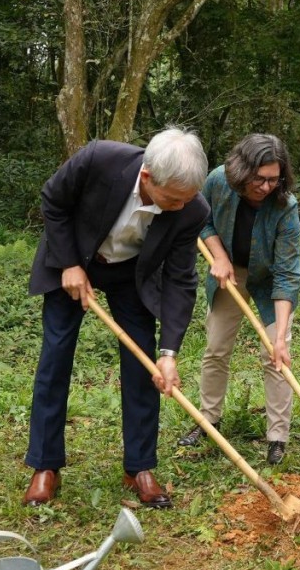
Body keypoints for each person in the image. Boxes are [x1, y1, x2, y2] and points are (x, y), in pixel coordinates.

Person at [22, 127, 209, 510]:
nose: (180, 207)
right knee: (56, 357)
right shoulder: (99, 160)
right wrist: (70, 264)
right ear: (147, 177)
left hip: (132, 275)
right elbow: (53, 201)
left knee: (143, 364)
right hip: (73, 260)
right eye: (172, 200)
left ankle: (139, 466)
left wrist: (169, 352)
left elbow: (180, 278)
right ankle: (45, 466)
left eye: (186, 199)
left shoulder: (192, 208)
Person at [177, 134, 300, 466]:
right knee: (216, 348)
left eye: (273, 180)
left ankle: (277, 437)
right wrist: (218, 256)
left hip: (270, 279)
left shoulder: (285, 207)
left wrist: (279, 338)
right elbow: (199, 218)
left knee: (275, 356)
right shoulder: (218, 181)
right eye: (258, 179)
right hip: (229, 273)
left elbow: (288, 274)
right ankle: (208, 420)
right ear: (241, 171)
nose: (264, 187)